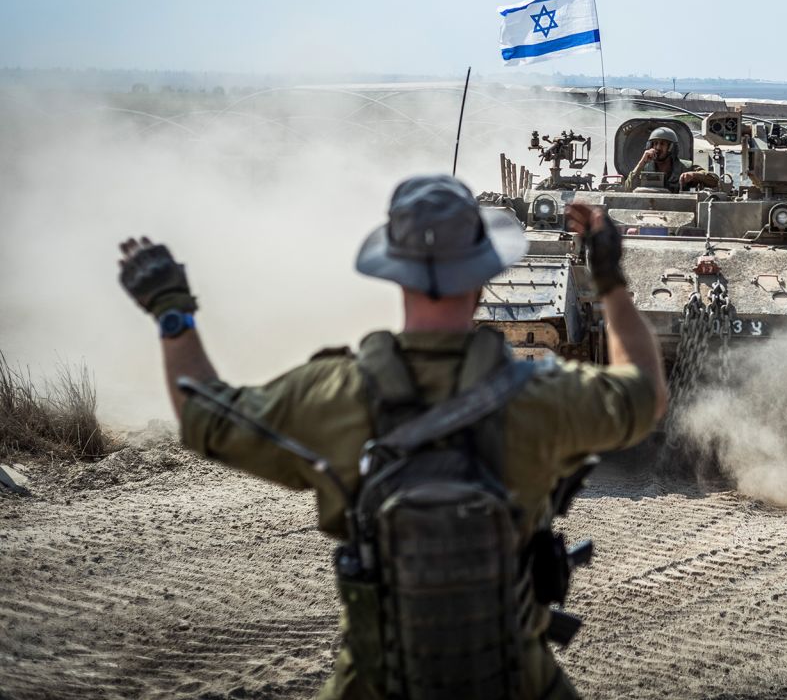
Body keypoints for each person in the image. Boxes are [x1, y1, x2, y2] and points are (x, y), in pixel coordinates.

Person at [117, 175, 668, 700]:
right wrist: (610, 281)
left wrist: (172, 312)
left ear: (396, 274)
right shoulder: (544, 395)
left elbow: (204, 419)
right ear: (483, 277)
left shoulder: (336, 392)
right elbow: (644, 393)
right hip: (514, 678)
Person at [623, 126, 719, 192]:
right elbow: (628, 188)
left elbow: (714, 181)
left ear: (671, 148)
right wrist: (642, 162)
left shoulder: (685, 167)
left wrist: (694, 175)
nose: (657, 147)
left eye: (662, 144)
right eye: (655, 143)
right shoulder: (644, 168)